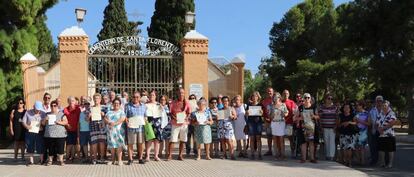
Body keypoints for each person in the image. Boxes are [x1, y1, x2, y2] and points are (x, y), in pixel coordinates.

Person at [294, 93, 319, 163]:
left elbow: (318, 117)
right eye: (305, 97)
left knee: (311, 142)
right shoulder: (300, 107)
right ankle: (303, 158)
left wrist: (314, 116)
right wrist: (300, 118)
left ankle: (312, 158)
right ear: (303, 99)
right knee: (303, 143)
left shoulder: (314, 107)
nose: (307, 99)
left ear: (310, 99)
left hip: (312, 128)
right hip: (303, 127)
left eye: (308, 97)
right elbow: (296, 118)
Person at [168, 88, 191, 161]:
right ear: (177, 94)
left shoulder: (187, 103)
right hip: (175, 123)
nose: (181, 94)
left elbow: (189, 112)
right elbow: (170, 113)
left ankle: (180, 155)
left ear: (184, 94)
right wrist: (174, 118)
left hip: (184, 124)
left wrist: (187, 118)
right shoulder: (173, 103)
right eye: (180, 93)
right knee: (172, 140)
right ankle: (170, 155)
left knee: (183, 140)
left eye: (182, 93)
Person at [43, 100, 67, 166]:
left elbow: (66, 122)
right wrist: (45, 119)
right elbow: (42, 123)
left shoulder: (62, 114)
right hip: (50, 135)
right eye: (52, 106)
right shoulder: (47, 114)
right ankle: (50, 161)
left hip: (60, 135)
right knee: (50, 149)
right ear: (50, 106)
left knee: (60, 148)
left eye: (55, 106)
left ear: (57, 106)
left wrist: (58, 122)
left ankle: (61, 161)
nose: (53, 107)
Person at [125, 91, 147, 165]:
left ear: (140, 97)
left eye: (137, 97)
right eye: (134, 97)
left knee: (141, 143)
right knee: (130, 144)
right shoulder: (128, 106)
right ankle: (130, 159)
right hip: (131, 128)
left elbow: (145, 116)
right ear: (132, 97)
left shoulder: (143, 106)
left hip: (141, 128)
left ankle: (140, 158)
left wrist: (145, 119)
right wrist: (127, 122)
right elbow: (125, 116)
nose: (135, 98)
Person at [22, 101, 47, 166]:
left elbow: (44, 123)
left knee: (40, 146)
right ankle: (31, 161)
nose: (38, 111)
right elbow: (23, 122)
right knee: (30, 146)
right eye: (37, 109)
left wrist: (42, 125)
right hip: (30, 132)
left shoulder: (43, 113)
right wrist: (27, 126)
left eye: (39, 109)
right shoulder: (27, 112)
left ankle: (41, 161)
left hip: (39, 132)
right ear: (34, 107)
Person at [104, 98, 126, 165]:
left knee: (119, 146)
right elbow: (105, 119)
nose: (116, 104)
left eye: (117, 103)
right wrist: (108, 122)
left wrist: (114, 123)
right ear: (112, 104)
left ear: (120, 104)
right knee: (112, 146)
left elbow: (122, 119)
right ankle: (112, 160)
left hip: (119, 132)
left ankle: (119, 160)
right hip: (110, 132)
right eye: (115, 103)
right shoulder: (109, 112)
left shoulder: (122, 112)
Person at [269, 92, 288, 160]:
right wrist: (272, 115)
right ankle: (276, 154)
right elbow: (270, 116)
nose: (275, 98)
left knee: (281, 139)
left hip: (281, 123)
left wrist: (284, 114)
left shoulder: (283, 105)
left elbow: (286, 113)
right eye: (274, 97)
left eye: (277, 97)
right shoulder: (271, 106)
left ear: (279, 98)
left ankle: (283, 154)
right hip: (274, 123)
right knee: (275, 140)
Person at [377, 100, 397, 168]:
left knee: (390, 150)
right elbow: (377, 123)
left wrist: (383, 128)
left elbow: (392, 123)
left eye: (385, 105)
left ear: (388, 106)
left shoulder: (392, 113)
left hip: (390, 134)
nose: (384, 106)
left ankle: (390, 164)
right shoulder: (380, 113)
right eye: (383, 105)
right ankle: (382, 163)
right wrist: (379, 129)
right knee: (381, 149)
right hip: (381, 134)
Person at [338, 103, 358, 167]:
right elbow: (338, 125)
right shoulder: (340, 115)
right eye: (345, 107)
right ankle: (345, 161)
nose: (346, 109)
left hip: (351, 134)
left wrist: (349, 122)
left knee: (349, 148)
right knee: (344, 149)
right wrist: (343, 124)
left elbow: (356, 123)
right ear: (343, 109)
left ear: (350, 109)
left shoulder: (353, 115)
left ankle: (349, 162)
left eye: (348, 108)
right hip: (343, 134)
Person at [88, 93, 107, 165]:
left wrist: (104, 115)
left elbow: (107, 118)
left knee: (102, 143)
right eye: (95, 98)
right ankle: (95, 158)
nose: (96, 100)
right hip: (93, 128)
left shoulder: (104, 107)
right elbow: (87, 120)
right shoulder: (90, 108)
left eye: (98, 98)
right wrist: (89, 116)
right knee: (94, 143)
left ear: (100, 99)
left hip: (102, 128)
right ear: (93, 99)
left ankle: (102, 158)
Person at [318, 94, 338, 161]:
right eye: (328, 98)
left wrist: (336, 126)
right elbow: (320, 118)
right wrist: (321, 127)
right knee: (326, 142)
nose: (330, 100)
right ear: (325, 99)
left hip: (333, 127)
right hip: (325, 127)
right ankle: (327, 155)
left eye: (331, 99)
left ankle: (331, 156)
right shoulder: (321, 107)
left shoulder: (335, 107)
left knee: (332, 142)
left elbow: (337, 118)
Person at [145, 90, 163, 162]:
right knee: (149, 140)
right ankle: (147, 156)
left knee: (157, 141)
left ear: (155, 96)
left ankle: (156, 156)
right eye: (151, 95)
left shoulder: (158, 104)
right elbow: (144, 114)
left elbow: (163, 114)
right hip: (149, 123)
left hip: (157, 124)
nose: (151, 96)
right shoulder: (146, 105)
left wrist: (162, 108)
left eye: (153, 95)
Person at [245, 91, 264, 160]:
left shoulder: (260, 104)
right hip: (251, 122)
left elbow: (262, 114)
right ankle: (252, 153)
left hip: (258, 122)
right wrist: (247, 113)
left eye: (256, 96)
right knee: (252, 138)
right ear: (251, 97)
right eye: (253, 96)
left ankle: (259, 153)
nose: (254, 97)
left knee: (258, 138)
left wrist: (261, 112)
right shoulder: (248, 105)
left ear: (258, 97)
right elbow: (246, 115)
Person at [218, 96, 237, 160]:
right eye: (223, 101)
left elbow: (235, 117)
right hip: (221, 127)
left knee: (229, 141)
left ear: (228, 102)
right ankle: (224, 154)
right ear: (222, 102)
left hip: (228, 127)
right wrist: (217, 118)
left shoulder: (231, 108)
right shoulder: (220, 109)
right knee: (223, 141)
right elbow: (218, 119)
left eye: (226, 101)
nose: (225, 102)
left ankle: (232, 154)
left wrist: (232, 116)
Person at [63, 96, 81, 162]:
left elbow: (79, 119)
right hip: (68, 129)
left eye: (72, 101)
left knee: (74, 144)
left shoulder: (78, 109)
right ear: (68, 102)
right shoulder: (65, 109)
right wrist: (67, 124)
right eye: (70, 101)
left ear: (75, 101)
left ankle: (72, 157)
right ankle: (67, 157)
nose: (71, 102)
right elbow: (63, 118)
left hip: (76, 129)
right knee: (68, 144)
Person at [368, 95, 383, 165]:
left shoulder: (385, 109)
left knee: (383, 146)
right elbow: (370, 119)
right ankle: (374, 160)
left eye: (380, 101)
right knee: (373, 146)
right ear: (375, 102)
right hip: (374, 130)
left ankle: (383, 161)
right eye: (377, 101)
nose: (379, 102)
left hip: (383, 130)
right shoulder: (372, 110)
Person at [282, 90, 297, 158]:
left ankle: (292, 152)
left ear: (289, 94)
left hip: (289, 123)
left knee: (290, 138)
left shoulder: (292, 102)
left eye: (287, 93)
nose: (286, 95)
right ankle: (282, 153)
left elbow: (295, 111)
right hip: (281, 123)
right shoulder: (280, 102)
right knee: (281, 138)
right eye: (284, 93)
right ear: (282, 94)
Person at [355, 100, 370, 165]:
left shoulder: (367, 113)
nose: (357, 106)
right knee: (356, 146)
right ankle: (358, 160)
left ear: (361, 106)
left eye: (358, 105)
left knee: (362, 146)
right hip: (356, 131)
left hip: (363, 131)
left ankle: (363, 161)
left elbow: (369, 123)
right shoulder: (355, 113)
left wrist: (360, 121)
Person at [262, 87, 274, 156]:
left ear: (273, 92)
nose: (269, 92)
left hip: (275, 122)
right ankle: (270, 150)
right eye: (268, 91)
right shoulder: (264, 101)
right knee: (269, 136)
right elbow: (262, 112)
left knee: (276, 136)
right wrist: (265, 119)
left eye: (270, 91)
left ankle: (278, 151)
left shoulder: (276, 100)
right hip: (267, 121)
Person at [79, 99, 91, 163]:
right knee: (84, 145)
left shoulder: (92, 112)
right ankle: (86, 157)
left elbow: (88, 120)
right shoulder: (81, 113)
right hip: (82, 131)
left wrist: (89, 115)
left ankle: (91, 158)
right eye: (85, 104)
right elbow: (79, 123)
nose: (87, 105)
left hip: (90, 130)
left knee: (92, 145)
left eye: (88, 104)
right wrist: (78, 132)